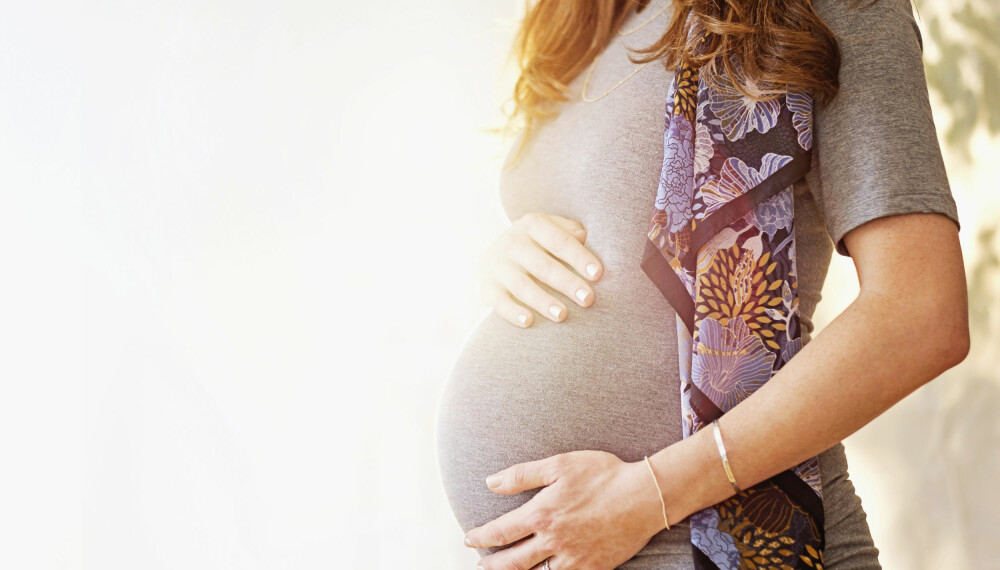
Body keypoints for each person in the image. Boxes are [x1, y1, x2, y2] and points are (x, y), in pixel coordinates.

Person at [435, 0, 968, 568]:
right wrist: (508, 251)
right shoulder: (582, 17)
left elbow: (920, 313)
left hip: (705, 540)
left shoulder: (834, 8)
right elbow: (609, 221)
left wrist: (649, 496)